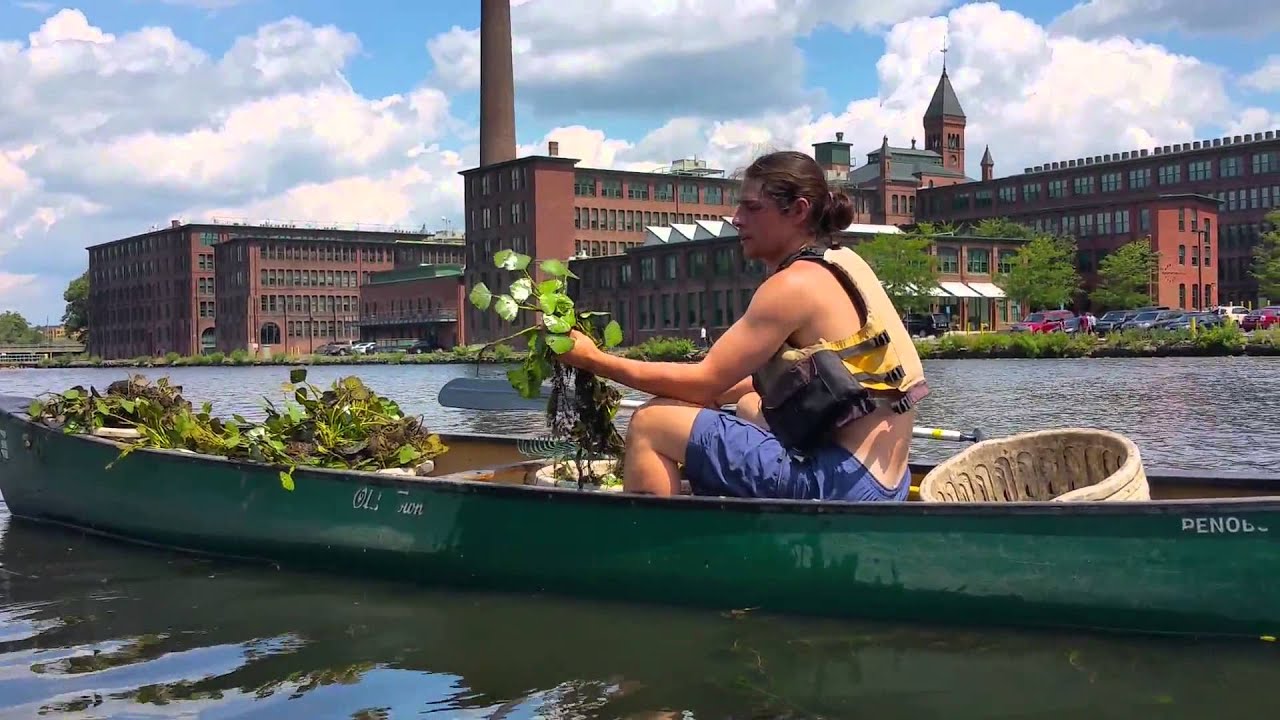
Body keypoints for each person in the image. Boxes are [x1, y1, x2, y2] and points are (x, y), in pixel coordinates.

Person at [555, 150, 929, 502]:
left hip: (838, 485)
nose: (737, 219)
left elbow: (704, 380)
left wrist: (593, 360)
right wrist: (712, 396)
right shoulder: (844, 261)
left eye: (752, 208)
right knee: (751, 405)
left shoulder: (792, 285)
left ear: (798, 211)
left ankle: (655, 557)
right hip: (889, 484)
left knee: (651, 422)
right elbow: (782, 380)